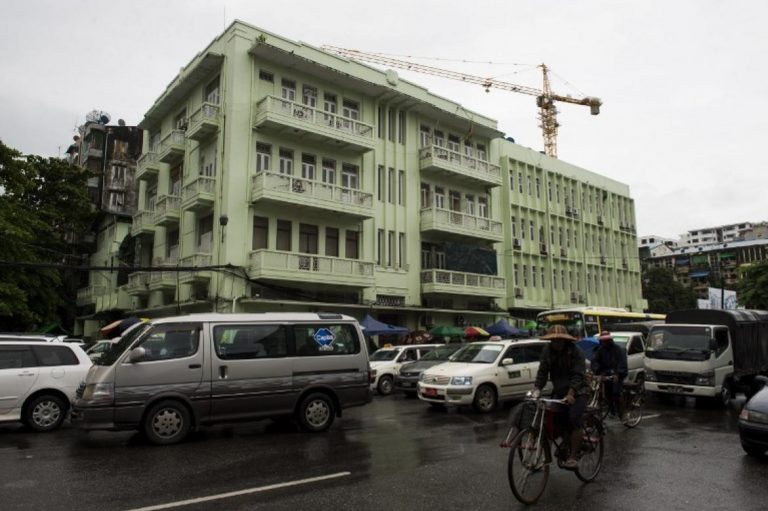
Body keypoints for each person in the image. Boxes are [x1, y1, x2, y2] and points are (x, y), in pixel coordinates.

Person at [531, 325, 590, 469]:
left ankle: (573, 456)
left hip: (579, 391)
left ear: (565, 340)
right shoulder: (547, 351)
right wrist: (537, 388)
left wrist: (571, 393)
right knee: (554, 420)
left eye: (559, 341)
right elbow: (543, 372)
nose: (556, 343)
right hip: (559, 391)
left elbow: (578, 374)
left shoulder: (576, 352)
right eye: (554, 340)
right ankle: (565, 442)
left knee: (573, 418)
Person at [591, 330, 628, 419]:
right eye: (603, 340)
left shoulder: (618, 349)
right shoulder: (600, 350)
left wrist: (618, 373)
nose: (604, 342)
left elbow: (622, 362)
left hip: (616, 375)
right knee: (606, 395)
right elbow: (595, 361)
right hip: (606, 375)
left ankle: (622, 413)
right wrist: (597, 371)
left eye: (606, 340)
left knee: (616, 393)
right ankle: (611, 410)